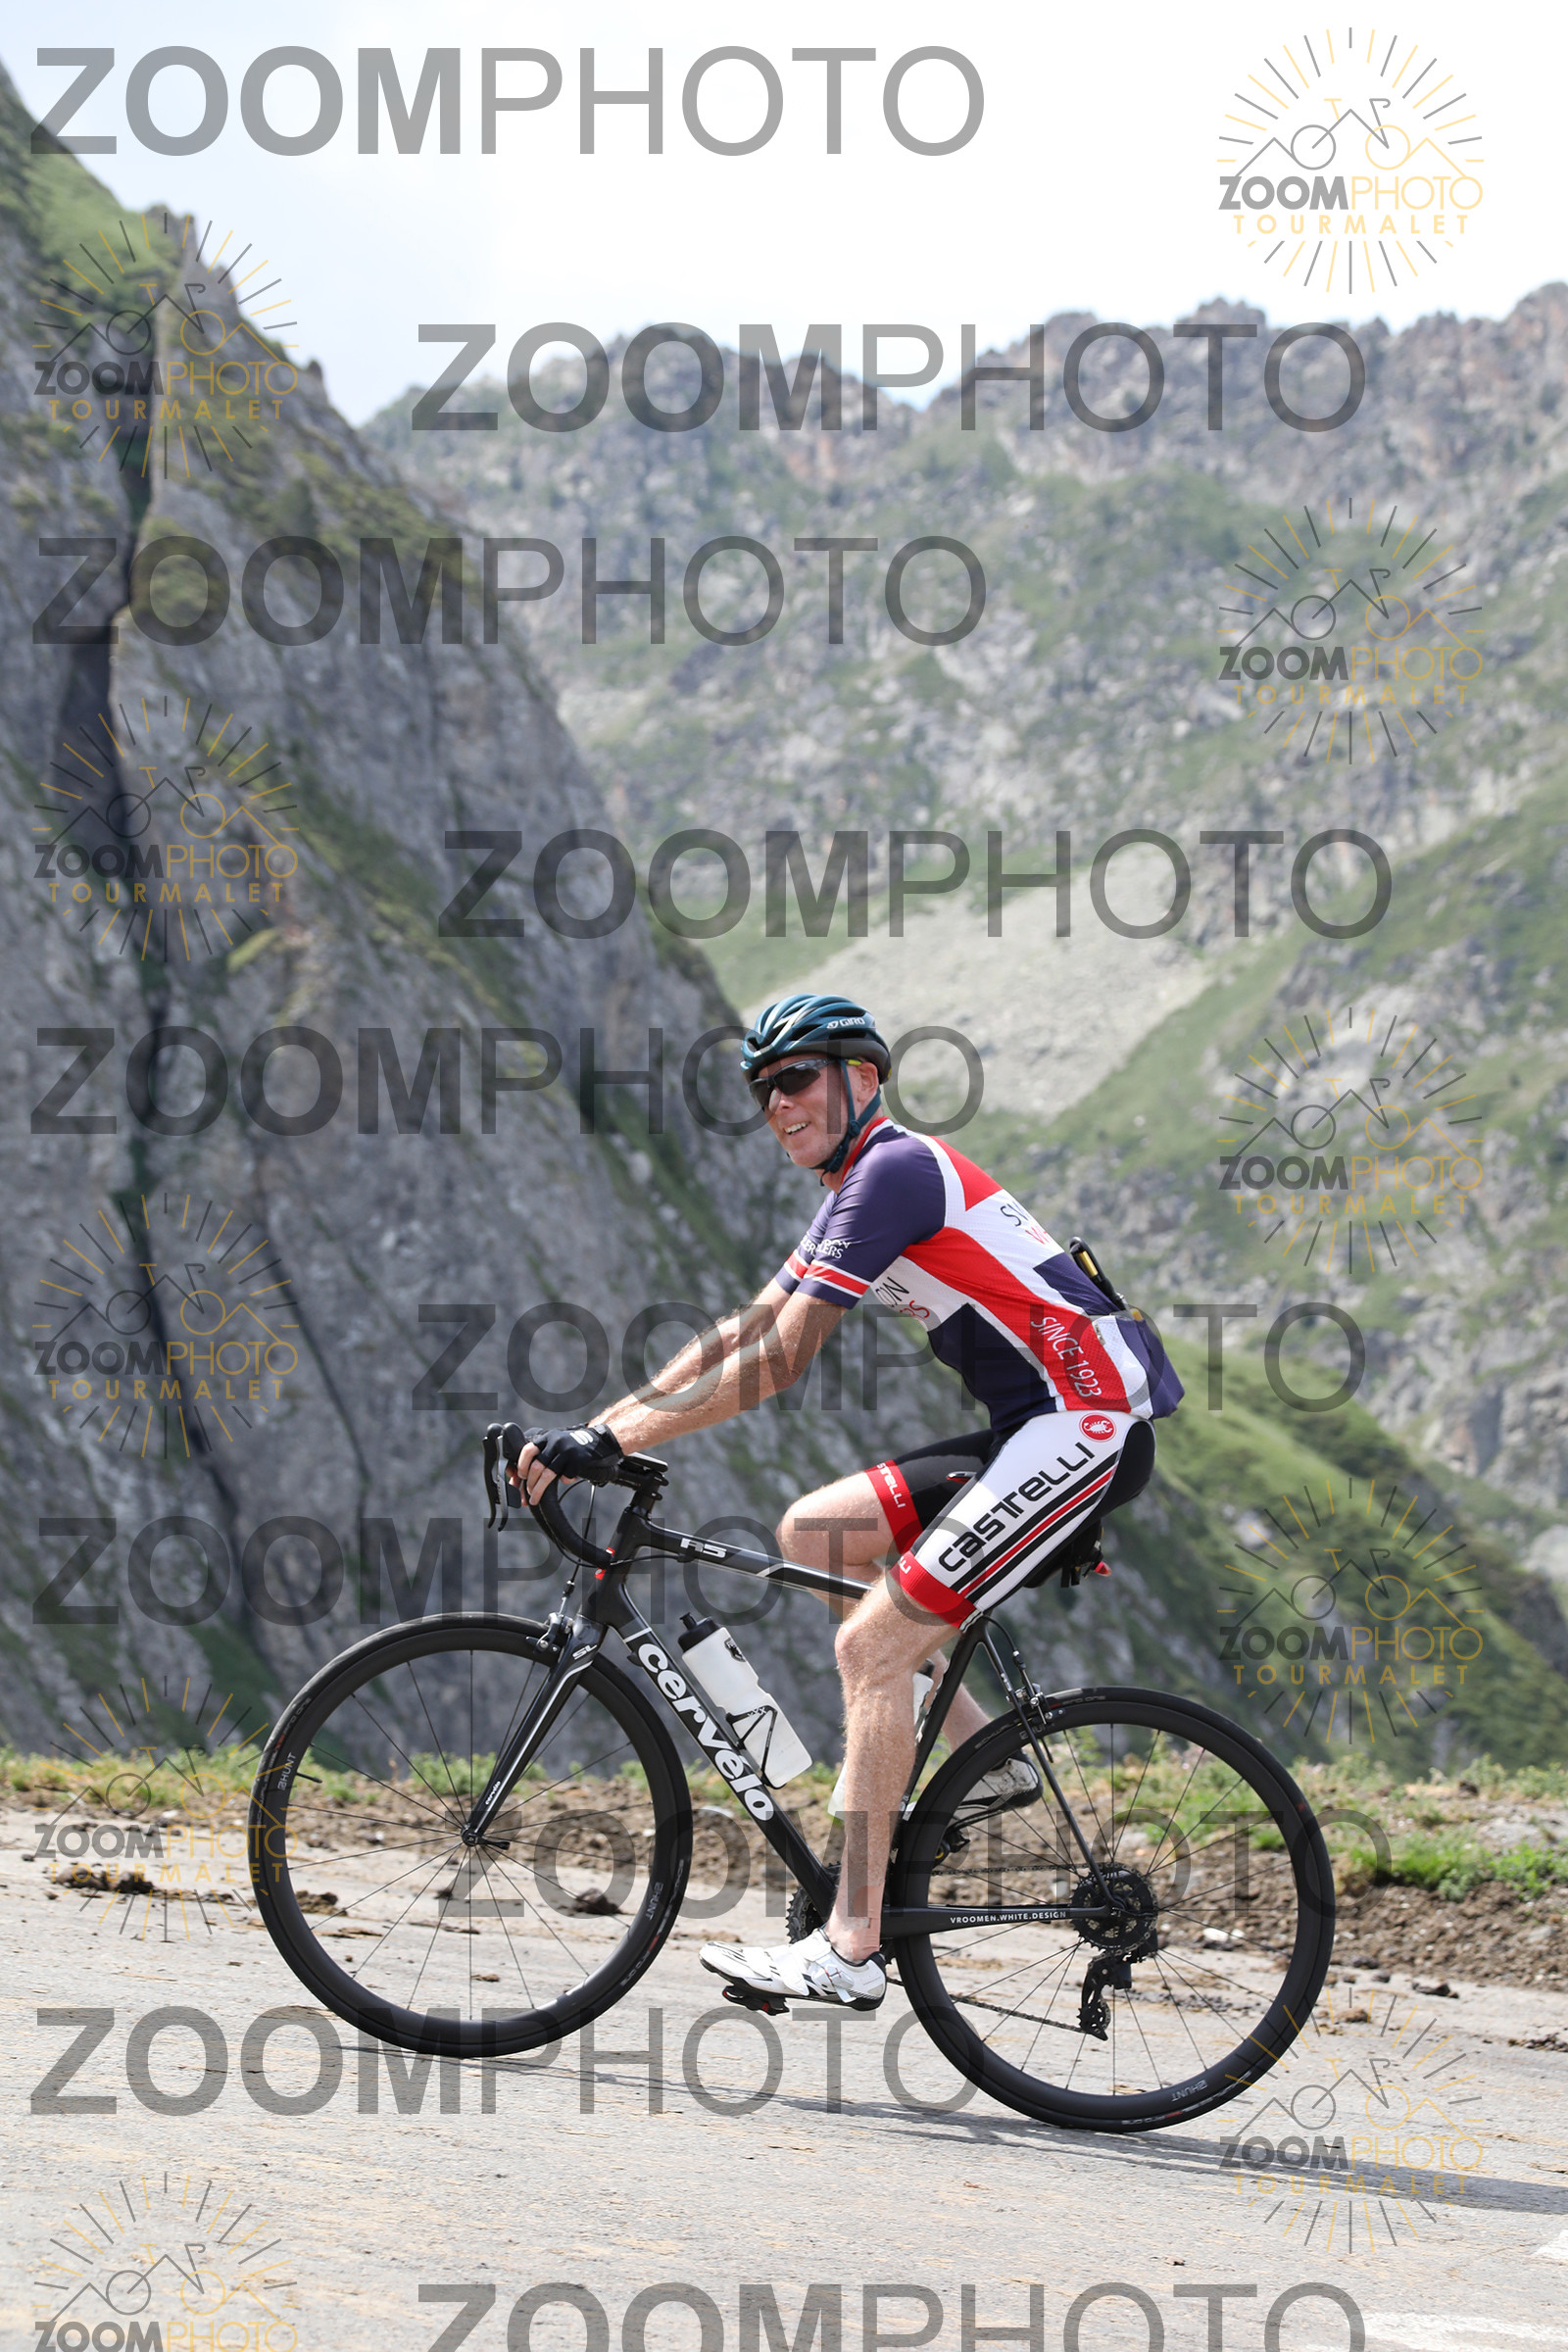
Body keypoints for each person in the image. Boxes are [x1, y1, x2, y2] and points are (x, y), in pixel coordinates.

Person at [509, 992, 1182, 2013]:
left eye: (796, 1078)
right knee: (816, 1533)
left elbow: (781, 1362)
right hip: (1034, 1423)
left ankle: (852, 1947)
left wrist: (615, 1443)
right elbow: (749, 1325)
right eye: (762, 1090)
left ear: (863, 1078)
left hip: (1087, 1422)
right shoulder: (857, 1182)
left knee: (872, 1648)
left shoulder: (895, 1171)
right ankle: (982, 1761)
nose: (777, 1104)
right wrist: (599, 1426)